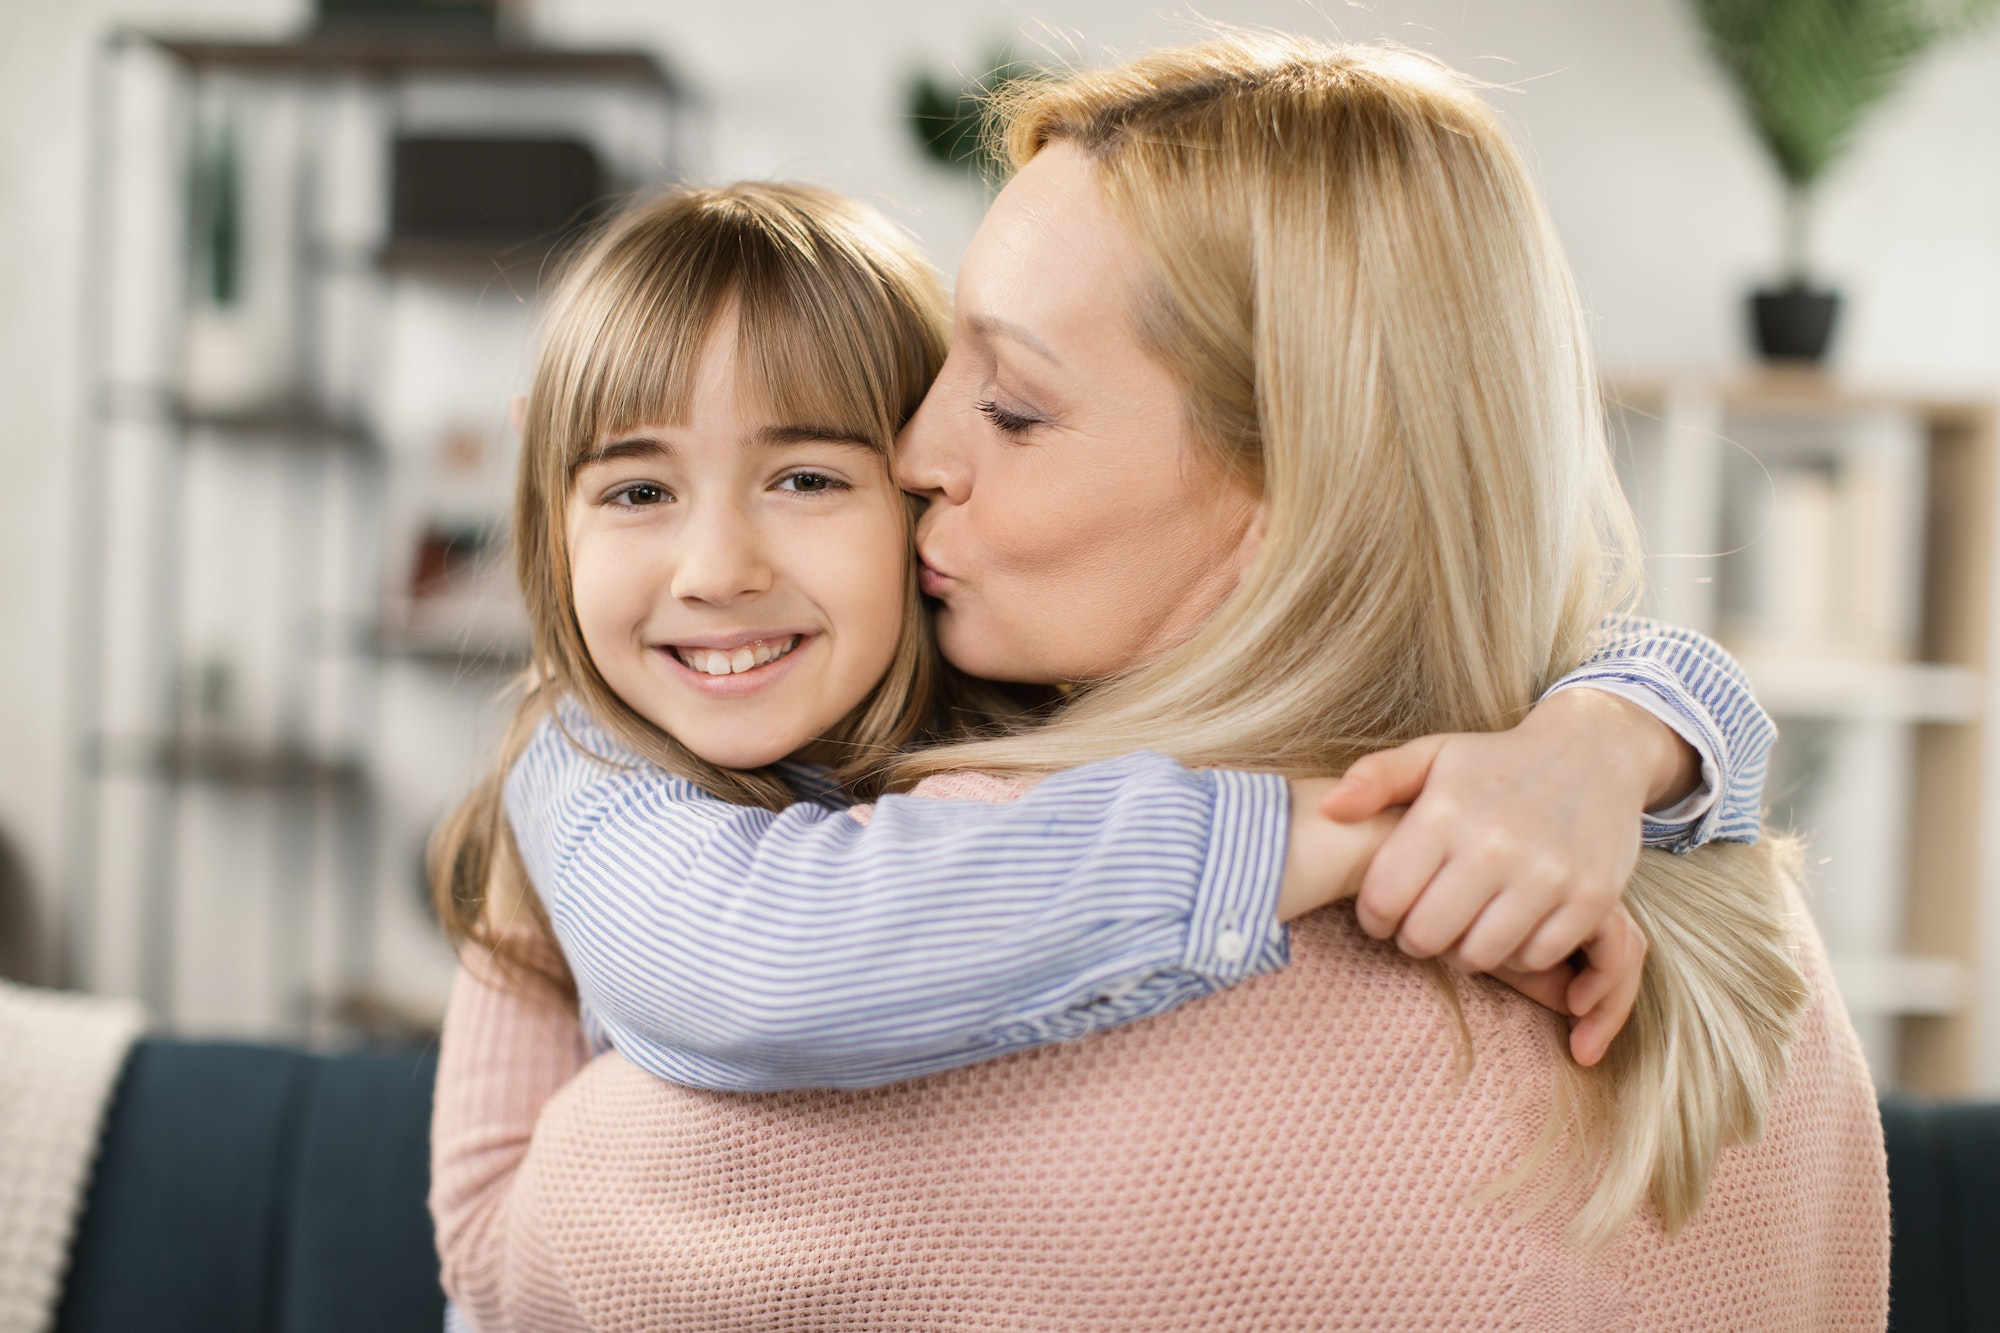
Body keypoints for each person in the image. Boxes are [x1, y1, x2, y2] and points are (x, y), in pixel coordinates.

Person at [431, 35, 1885, 1331]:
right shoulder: (1740, 924)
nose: (917, 454)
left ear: (1294, 492)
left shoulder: (1027, 928)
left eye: (1009, 402)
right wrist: (1623, 739)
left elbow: (515, 1242)